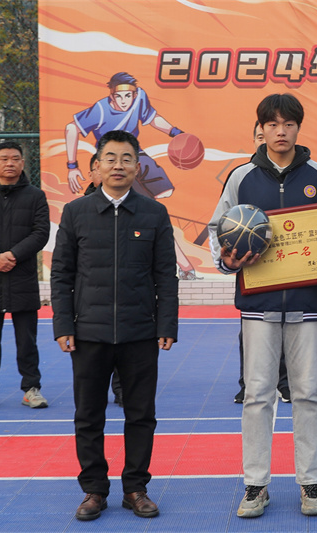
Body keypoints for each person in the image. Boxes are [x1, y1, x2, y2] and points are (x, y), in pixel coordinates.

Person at [207, 93, 317, 518]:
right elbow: (218, 230)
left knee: (308, 393)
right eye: (272, 124)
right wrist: (227, 260)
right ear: (261, 128)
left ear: (298, 128)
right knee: (257, 395)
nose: (281, 131)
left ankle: (311, 483)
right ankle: (255, 485)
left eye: (288, 124)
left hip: (307, 305)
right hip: (259, 305)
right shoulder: (241, 177)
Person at [51, 130, 179, 521]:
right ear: (96, 166)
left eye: (126, 159)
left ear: (137, 167)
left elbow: (165, 275)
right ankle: (94, 490)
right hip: (88, 332)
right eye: (110, 158)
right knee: (88, 416)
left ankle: (136, 488)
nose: (118, 165)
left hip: (140, 332)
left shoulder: (154, 214)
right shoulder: (76, 213)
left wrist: (166, 324)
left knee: (141, 415)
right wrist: (63, 324)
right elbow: (61, 274)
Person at [64, 71, 198, 280]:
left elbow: (153, 119)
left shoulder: (140, 97)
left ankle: (183, 267)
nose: (124, 101)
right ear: (111, 96)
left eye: (128, 96)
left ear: (135, 95)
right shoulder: (100, 110)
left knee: (162, 197)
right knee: (148, 217)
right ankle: (185, 267)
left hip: (135, 156)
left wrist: (176, 133)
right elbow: (71, 127)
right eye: (119, 96)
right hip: (116, 164)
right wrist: (72, 166)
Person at [0, 141, 50, 411]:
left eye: (15, 158)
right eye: (4, 159)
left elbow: (41, 233)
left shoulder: (36, 196)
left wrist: (13, 255)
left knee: (27, 340)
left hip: (22, 277)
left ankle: (31, 389)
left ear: (23, 163)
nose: (10, 163)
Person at [228, 121, 289, 405]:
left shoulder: (301, 177)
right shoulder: (242, 177)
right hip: (255, 275)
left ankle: (285, 383)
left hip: (291, 270)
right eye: (260, 136)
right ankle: (247, 383)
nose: (267, 140)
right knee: (250, 335)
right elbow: (225, 224)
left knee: (290, 331)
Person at [83, 153, 124, 408]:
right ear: (93, 172)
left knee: (123, 347)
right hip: (92, 298)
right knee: (94, 354)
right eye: (100, 168)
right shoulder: (80, 210)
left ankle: (121, 390)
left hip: (123, 296)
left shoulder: (136, 208)